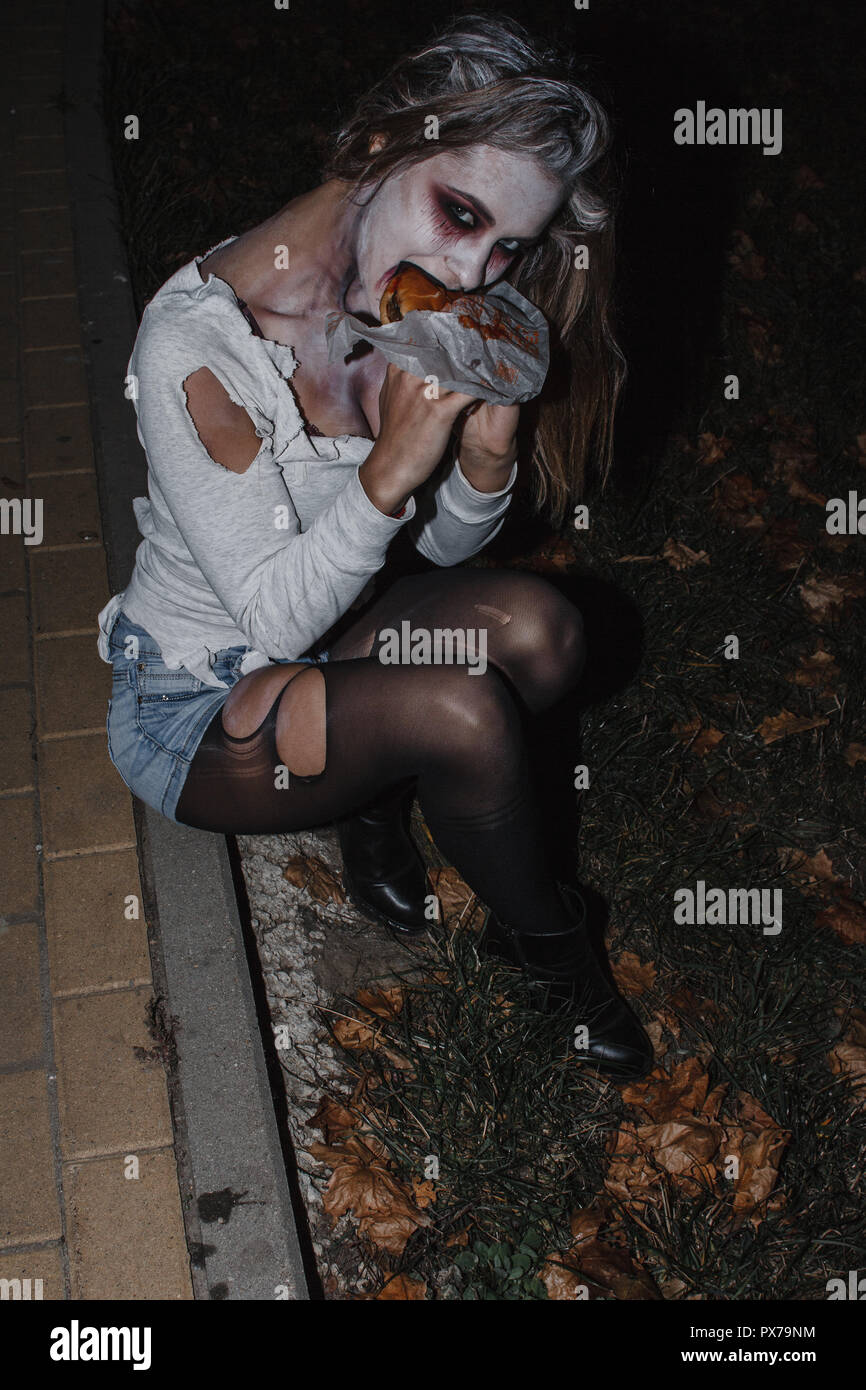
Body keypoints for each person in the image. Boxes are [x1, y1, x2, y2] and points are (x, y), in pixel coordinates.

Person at [97, 12, 653, 1081]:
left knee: (542, 633)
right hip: (197, 702)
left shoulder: (415, 306)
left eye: (505, 247)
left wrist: (481, 462)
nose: (472, 271)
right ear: (372, 151)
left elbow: (439, 555)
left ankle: (367, 787)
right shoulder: (201, 341)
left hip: (326, 640)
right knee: (459, 705)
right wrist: (387, 470)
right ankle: (546, 944)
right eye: (457, 212)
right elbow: (269, 621)